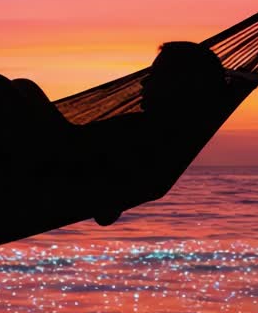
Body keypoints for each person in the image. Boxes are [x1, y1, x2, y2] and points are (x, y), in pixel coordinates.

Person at [81, 41, 237, 226]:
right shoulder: (164, 133)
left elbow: (106, 208)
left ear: (181, 84)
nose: (143, 81)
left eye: (156, 75)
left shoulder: (147, 135)